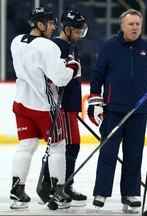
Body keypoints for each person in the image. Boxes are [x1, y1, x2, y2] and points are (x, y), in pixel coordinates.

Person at [9, 7, 80, 209]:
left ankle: (17, 189)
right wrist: (73, 67)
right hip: (44, 106)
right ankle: (57, 191)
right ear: (39, 25)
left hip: (21, 103)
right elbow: (60, 78)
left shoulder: (16, 41)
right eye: (50, 24)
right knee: (58, 147)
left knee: (26, 146)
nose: (53, 27)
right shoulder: (48, 47)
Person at [87, 8, 147, 213]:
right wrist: (96, 101)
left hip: (139, 111)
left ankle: (130, 194)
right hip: (114, 110)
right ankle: (101, 192)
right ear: (122, 26)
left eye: (138, 24)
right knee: (108, 153)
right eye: (131, 24)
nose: (135, 27)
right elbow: (97, 76)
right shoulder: (109, 46)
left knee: (134, 155)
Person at [42, 9, 88, 207]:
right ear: (67, 28)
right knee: (67, 146)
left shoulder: (71, 45)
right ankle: (56, 185)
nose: (79, 33)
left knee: (71, 146)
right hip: (61, 105)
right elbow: (53, 75)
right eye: (76, 30)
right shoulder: (55, 46)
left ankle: (63, 184)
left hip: (71, 104)